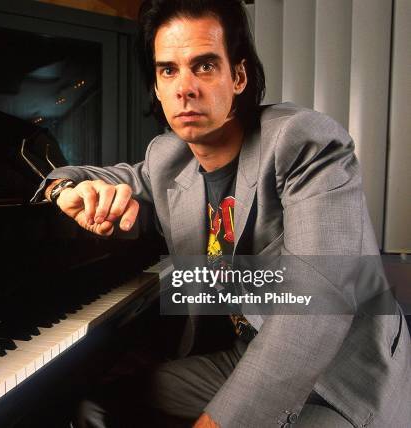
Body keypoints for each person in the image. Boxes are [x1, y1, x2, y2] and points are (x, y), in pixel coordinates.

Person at [32, 0, 411, 426]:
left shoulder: (300, 141)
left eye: (205, 66)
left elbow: (318, 308)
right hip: (247, 353)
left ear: (239, 76)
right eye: (168, 70)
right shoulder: (168, 157)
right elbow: (101, 175)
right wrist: (65, 188)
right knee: (93, 408)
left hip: (341, 375)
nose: (184, 88)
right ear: (157, 87)